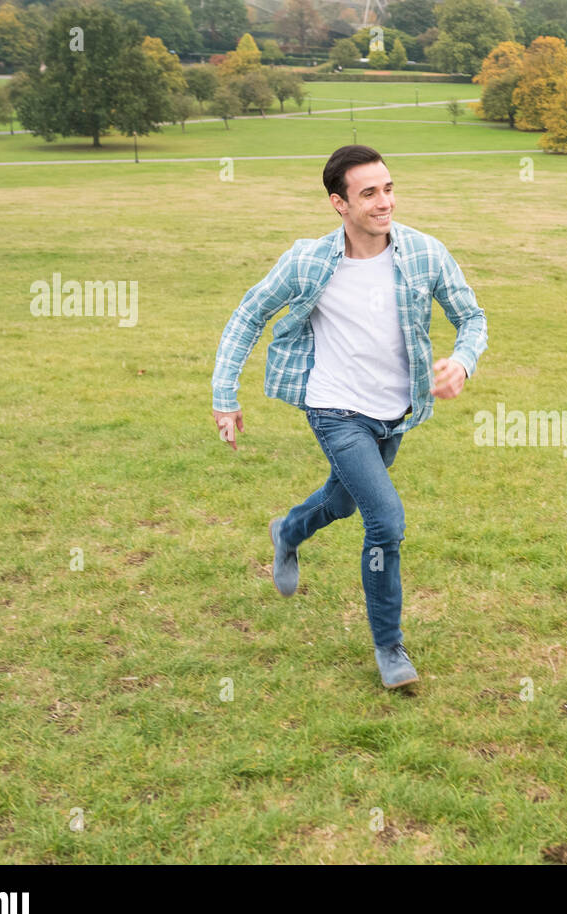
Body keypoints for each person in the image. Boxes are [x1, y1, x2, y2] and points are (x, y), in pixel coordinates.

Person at [210, 145, 488, 689]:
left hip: (396, 412)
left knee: (340, 501)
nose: (384, 202)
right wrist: (225, 394)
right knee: (384, 521)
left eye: (388, 188)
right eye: (368, 193)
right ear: (339, 204)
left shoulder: (425, 254)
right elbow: (249, 313)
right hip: (334, 407)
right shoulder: (309, 261)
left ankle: (288, 530)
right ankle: (390, 649)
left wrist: (463, 361)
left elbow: (472, 317)